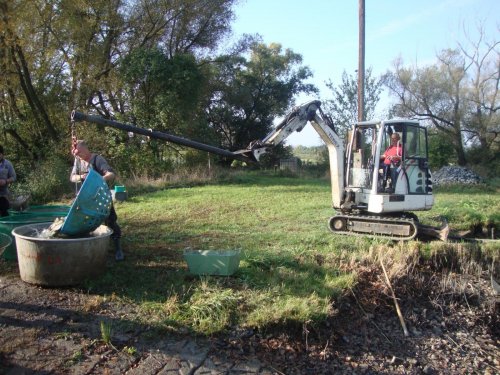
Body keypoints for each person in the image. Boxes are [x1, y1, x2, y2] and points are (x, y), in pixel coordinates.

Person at [70, 140, 124, 261]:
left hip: (101, 197)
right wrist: (81, 177)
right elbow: (72, 177)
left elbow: (111, 174)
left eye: (79, 152)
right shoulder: (78, 161)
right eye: (76, 153)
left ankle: (118, 248)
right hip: (86, 198)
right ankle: (90, 248)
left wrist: (99, 179)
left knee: (110, 221)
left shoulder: (97, 159)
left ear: (85, 149)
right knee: (85, 223)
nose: (77, 155)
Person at [0, 145, 16, 216]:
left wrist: (5, 181)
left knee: (5, 214)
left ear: (2, 154)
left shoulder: (7, 164)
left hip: (4, 195)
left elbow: (14, 177)